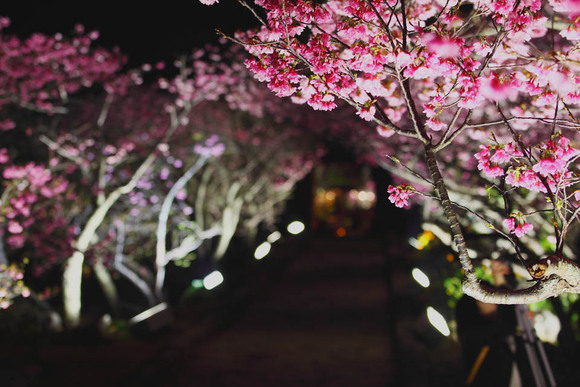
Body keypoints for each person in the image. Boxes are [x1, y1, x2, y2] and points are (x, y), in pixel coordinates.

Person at [455, 260, 531, 387]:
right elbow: (506, 324)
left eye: (491, 293)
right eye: (484, 296)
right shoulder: (474, 337)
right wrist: (500, 282)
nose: (491, 300)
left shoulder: (505, 329)